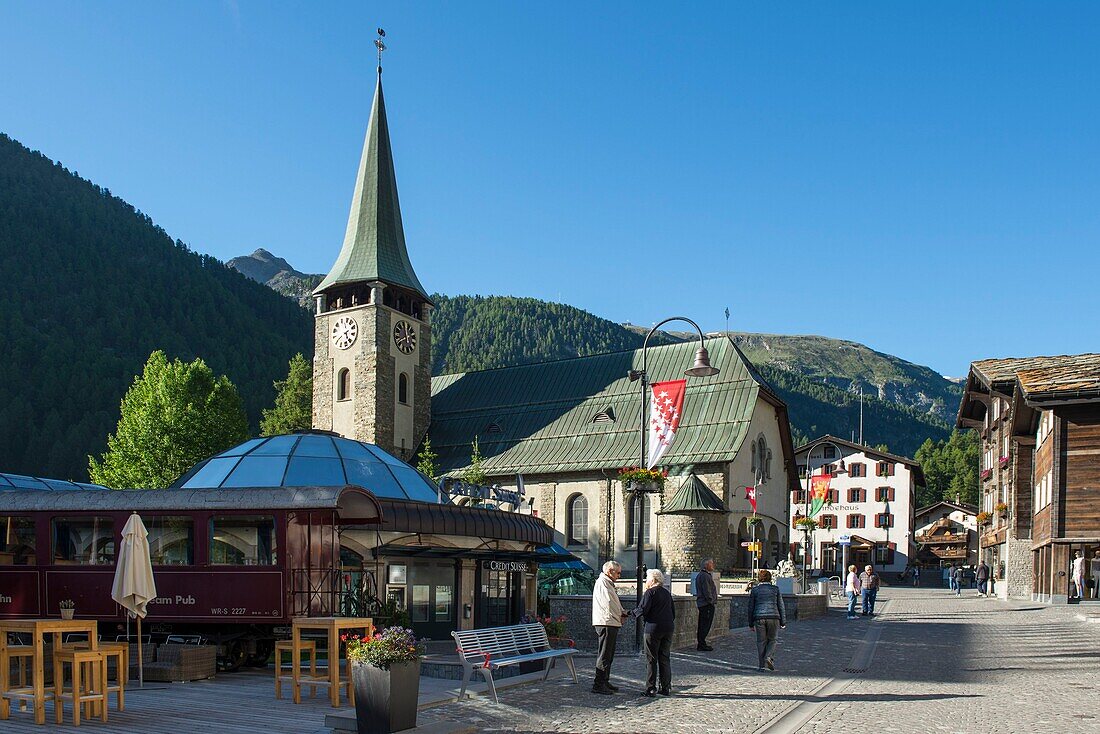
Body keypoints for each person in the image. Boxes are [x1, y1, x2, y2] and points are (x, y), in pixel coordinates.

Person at [629, 568, 675, 696]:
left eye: (647, 579)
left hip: (653, 629)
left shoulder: (650, 593)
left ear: (653, 580)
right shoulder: (667, 593)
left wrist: (629, 613)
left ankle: (651, 688)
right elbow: (673, 612)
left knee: (651, 659)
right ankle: (665, 687)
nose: (646, 582)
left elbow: (642, 609)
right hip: (668, 628)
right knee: (665, 658)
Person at [591, 560, 627, 694]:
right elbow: (609, 604)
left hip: (610, 621)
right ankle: (599, 684)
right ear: (609, 571)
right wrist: (621, 614)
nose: (619, 575)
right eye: (617, 573)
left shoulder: (608, 583)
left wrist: (621, 613)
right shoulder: (603, 583)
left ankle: (604, 681)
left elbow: (613, 603)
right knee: (605, 654)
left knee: (608, 654)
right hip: (606, 622)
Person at [748, 568, 786, 671]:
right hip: (773, 617)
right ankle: (768, 657)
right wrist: (783, 621)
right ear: (770, 578)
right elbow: (780, 606)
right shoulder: (775, 589)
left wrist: (750, 623)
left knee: (761, 642)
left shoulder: (755, 590)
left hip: (759, 618)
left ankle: (761, 666)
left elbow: (751, 607)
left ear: (759, 579)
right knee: (772, 640)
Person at [694, 558, 717, 651]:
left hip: (704, 603)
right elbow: (706, 590)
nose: (713, 565)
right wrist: (711, 601)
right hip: (706, 604)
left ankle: (702, 643)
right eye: (711, 564)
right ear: (706, 565)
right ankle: (701, 644)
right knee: (704, 624)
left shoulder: (704, 575)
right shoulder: (704, 576)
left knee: (704, 624)